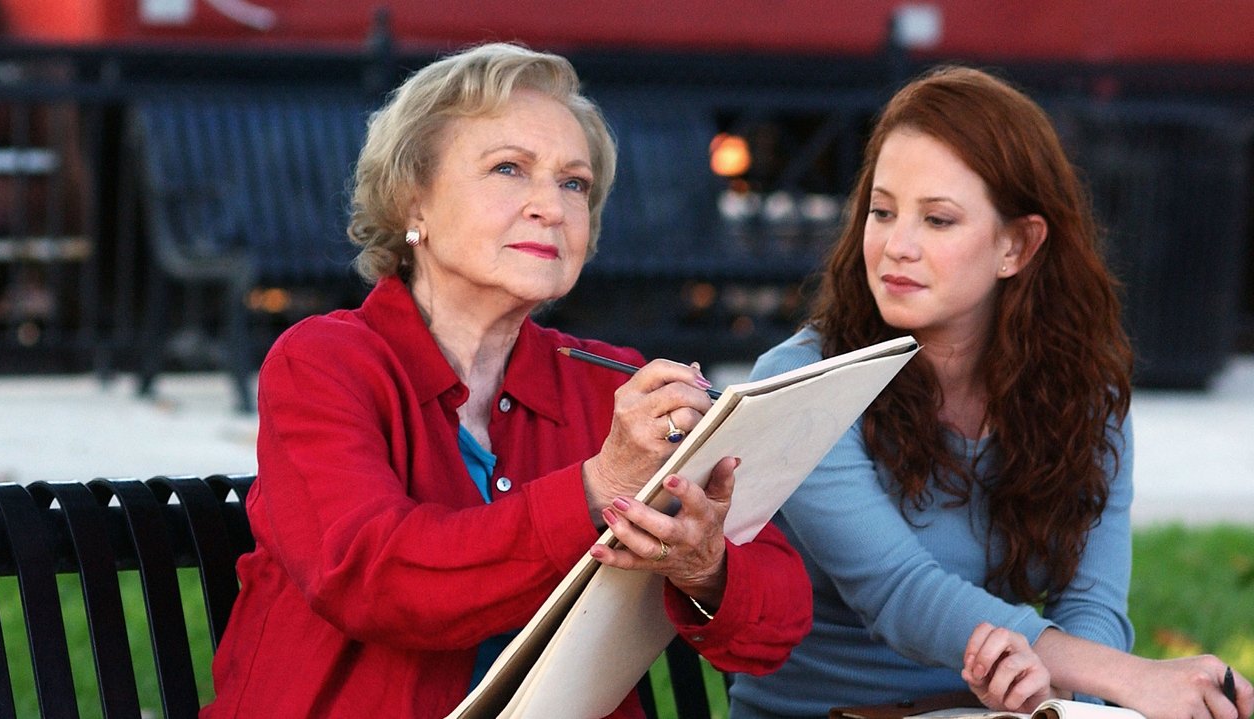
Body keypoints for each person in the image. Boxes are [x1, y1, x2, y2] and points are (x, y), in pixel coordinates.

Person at [200, 42, 811, 718]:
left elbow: (777, 621)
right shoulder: (323, 362)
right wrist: (597, 486)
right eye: (509, 169)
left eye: (574, 183)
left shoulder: (614, 385)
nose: (550, 205)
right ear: (414, 205)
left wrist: (707, 567)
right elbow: (372, 576)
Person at [727, 66, 1253, 718]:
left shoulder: (1082, 394)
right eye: (882, 211)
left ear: (1017, 244)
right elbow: (899, 592)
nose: (897, 245)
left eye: (938, 220)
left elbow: (1091, 604)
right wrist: (1129, 675)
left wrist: (1056, 693)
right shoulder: (798, 382)